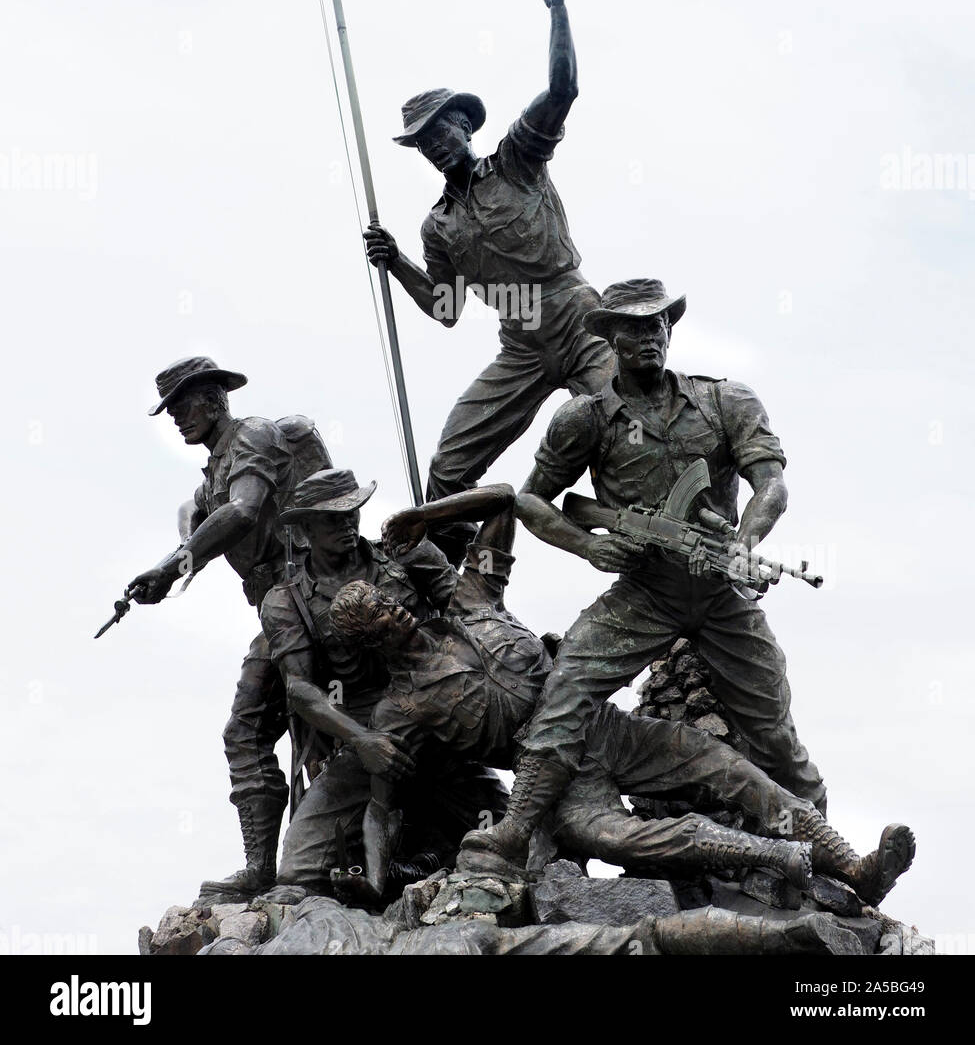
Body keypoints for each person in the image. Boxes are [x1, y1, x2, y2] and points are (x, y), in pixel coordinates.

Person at [325, 487, 914, 907]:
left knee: (732, 772)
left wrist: (426, 515)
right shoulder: (399, 711)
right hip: (555, 788)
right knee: (617, 837)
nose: (395, 611)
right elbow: (382, 806)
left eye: (388, 601)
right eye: (379, 618)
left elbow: (506, 500)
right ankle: (773, 856)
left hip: (609, 730)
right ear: (370, 642)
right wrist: (374, 882)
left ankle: (854, 866)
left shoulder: (474, 602)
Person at [460, 277, 830, 875]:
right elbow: (531, 501)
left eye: (657, 324)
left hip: (718, 589)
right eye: (633, 328)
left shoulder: (725, 400)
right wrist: (589, 547)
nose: (649, 336)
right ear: (609, 337)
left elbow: (772, 484)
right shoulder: (584, 419)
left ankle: (827, 853)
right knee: (565, 694)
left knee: (774, 732)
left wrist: (744, 543)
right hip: (645, 593)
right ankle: (515, 829)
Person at [363, 0, 613, 557]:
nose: (430, 146)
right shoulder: (437, 225)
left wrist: (558, 10)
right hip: (520, 346)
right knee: (447, 470)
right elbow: (444, 309)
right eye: (420, 142)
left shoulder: (516, 160)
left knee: (626, 431)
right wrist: (396, 260)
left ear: (462, 125)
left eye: (437, 131)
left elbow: (563, 91)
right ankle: (462, 592)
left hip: (578, 319)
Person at [128, 355, 327, 898]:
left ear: (215, 396)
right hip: (275, 606)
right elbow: (206, 520)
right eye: (170, 409)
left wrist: (172, 567)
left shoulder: (253, 436)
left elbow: (243, 511)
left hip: (310, 595)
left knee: (286, 725)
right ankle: (262, 866)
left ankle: (311, 859)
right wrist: (171, 565)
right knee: (245, 733)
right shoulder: (213, 470)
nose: (176, 418)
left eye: (182, 404)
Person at [260, 469, 508, 892]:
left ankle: (432, 861)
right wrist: (360, 741)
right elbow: (299, 689)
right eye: (332, 518)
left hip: (442, 710)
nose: (347, 524)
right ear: (304, 529)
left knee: (517, 825)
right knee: (298, 871)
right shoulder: (286, 601)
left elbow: (473, 613)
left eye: (352, 512)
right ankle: (395, 871)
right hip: (371, 731)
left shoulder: (406, 554)